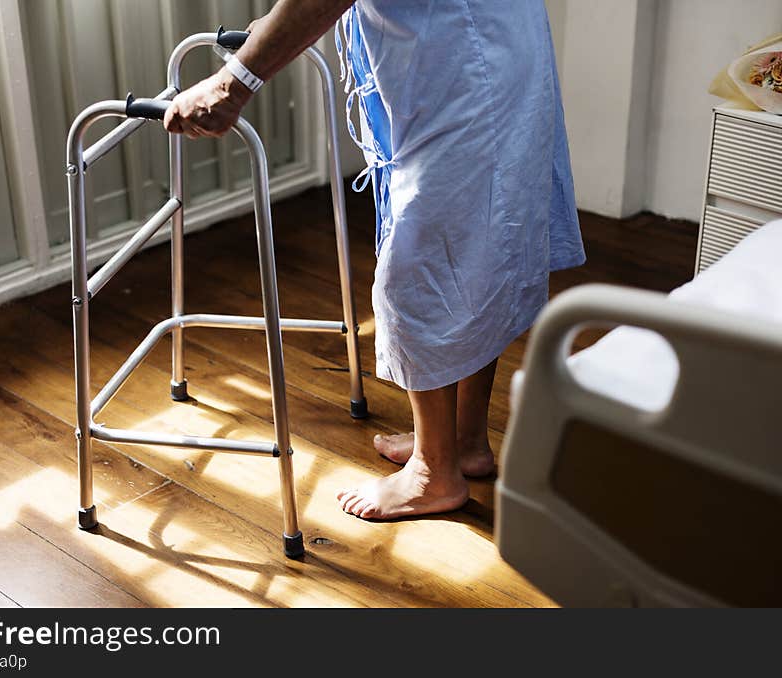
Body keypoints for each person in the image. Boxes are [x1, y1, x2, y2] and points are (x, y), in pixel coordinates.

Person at [164, 0, 586, 521]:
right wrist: (270, 32)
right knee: (481, 248)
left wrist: (234, 81)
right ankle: (462, 438)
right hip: (482, 51)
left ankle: (435, 473)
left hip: (466, 69)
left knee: (426, 263)